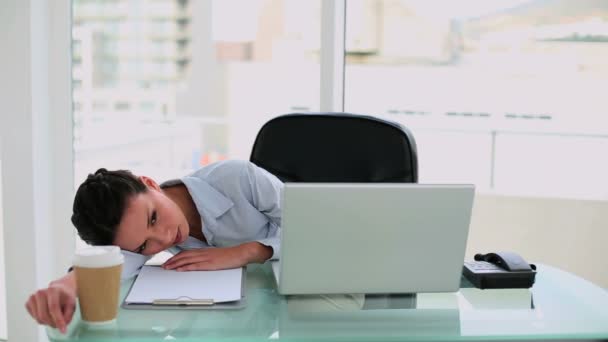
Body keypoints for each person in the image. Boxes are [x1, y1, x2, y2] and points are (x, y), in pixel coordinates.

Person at [25, 159, 283, 333]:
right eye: (144, 246)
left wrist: (249, 251)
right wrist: (64, 286)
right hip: (248, 314)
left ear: (150, 184)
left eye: (154, 217)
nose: (164, 238)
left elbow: (316, 226)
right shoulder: (135, 237)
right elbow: (116, 261)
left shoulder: (238, 177)